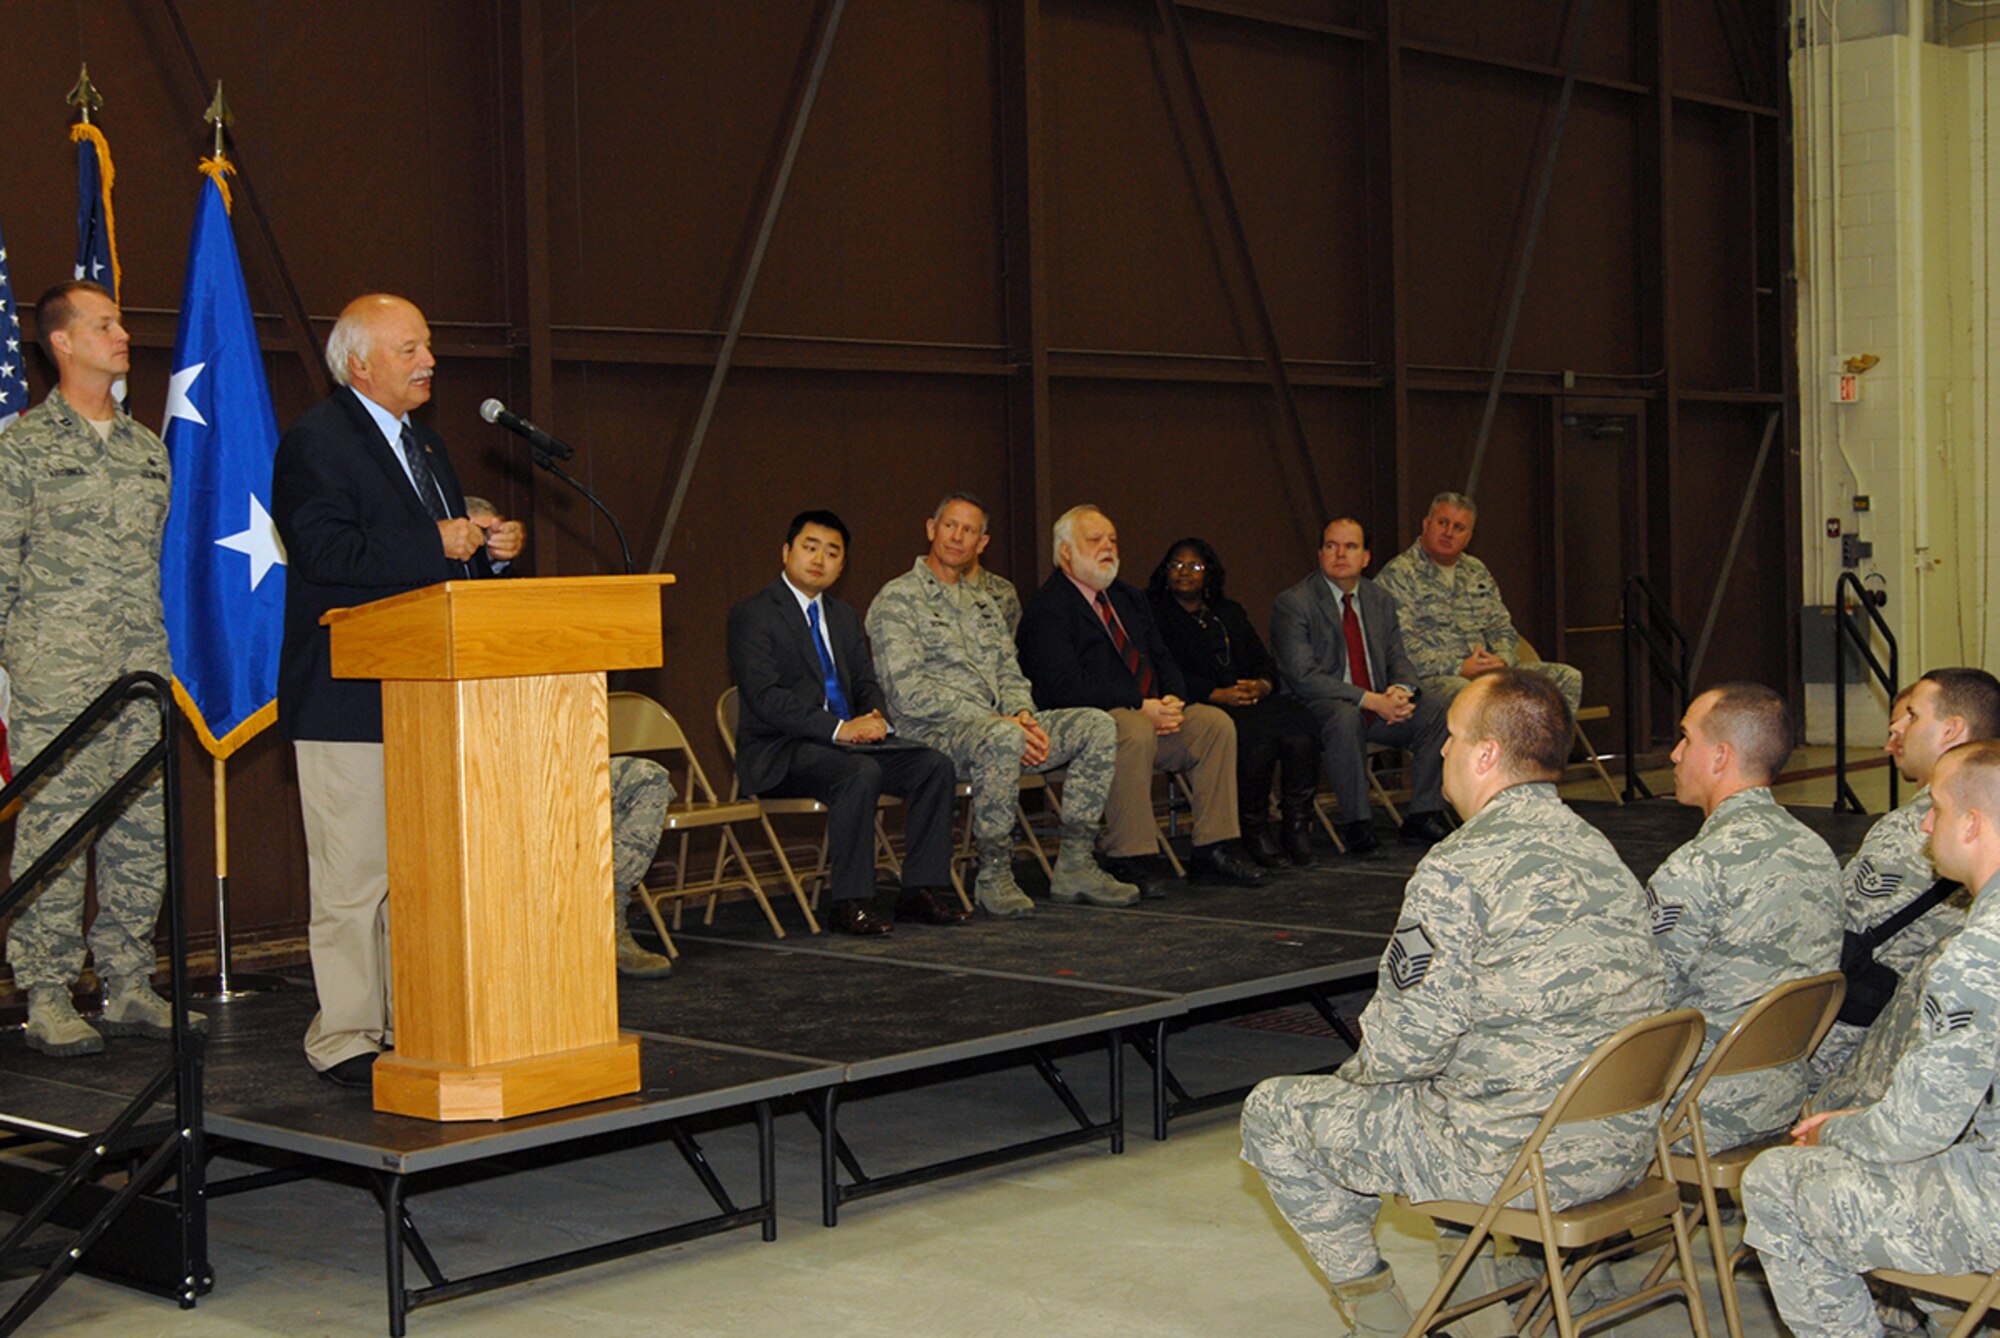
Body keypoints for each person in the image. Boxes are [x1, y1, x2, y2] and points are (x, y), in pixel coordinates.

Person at [1240, 670, 1667, 1333]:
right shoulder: (1600, 849)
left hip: (1517, 1159)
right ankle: (1494, 1279)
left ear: (1487, 754)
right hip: (1623, 1144)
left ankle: (1376, 1314)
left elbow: (1402, 1046)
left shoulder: (1458, 867)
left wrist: (1354, 1084)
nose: (1439, 749)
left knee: (1277, 1112)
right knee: (1449, 1083)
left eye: (1451, 737)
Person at [273, 293, 527, 1088]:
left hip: (422, 693)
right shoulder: (317, 440)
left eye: (428, 346)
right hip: (347, 692)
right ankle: (344, 1034)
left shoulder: (427, 444)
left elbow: (439, 562)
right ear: (359, 363)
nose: (430, 362)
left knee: (409, 874)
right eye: (410, 348)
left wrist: (487, 551)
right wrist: (437, 539)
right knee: (354, 876)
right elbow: (322, 551)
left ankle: (400, 1019)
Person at [1741, 740, 2000, 1338]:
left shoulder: (1976, 955)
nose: (1926, 824)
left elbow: (1917, 1128)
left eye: (1935, 807)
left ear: (1973, 823)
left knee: (1777, 1182)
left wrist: (1835, 1130)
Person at [0, 280, 199, 1056]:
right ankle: (46, 990)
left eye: (121, 321)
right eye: (105, 324)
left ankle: (126, 981)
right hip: (60, 674)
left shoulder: (148, 448)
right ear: (63, 343)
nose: (123, 335)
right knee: (57, 829)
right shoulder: (23, 449)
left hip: (139, 670)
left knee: (140, 830)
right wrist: (23, 667)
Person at [866, 493, 1138, 916]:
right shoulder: (897, 600)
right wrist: (1001, 722)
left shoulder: (984, 604)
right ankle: (994, 872)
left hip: (1001, 729)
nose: (958, 536)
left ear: (982, 543)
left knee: (1097, 725)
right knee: (1001, 737)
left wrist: (1024, 715)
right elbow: (908, 691)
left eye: (969, 530)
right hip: (931, 736)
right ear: (931, 529)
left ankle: (1076, 865)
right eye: (950, 525)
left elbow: (1011, 674)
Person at [464, 496, 677, 977]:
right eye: (477, 532)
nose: (488, 542)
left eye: (495, 531)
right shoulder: (424, 604)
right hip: (478, 771)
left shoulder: (526, 604)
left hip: (549, 759)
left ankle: (607, 915)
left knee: (645, 777)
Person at [727, 510, 965, 935]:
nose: (819, 559)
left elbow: (866, 681)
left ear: (842, 565)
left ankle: (920, 892)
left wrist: (872, 716)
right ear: (786, 552)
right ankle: (848, 901)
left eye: (832, 552)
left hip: (846, 744)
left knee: (934, 765)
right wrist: (839, 730)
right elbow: (766, 698)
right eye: (809, 547)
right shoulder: (754, 614)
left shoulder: (843, 616)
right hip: (782, 749)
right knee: (859, 771)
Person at [1015, 505, 1265, 896]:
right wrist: (1139, 705)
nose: (1108, 548)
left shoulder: (1128, 598)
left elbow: (1162, 658)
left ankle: (1215, 848)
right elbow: (1063, 687)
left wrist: (1173, 701)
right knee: (1131, 728)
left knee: (1213, 724)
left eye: (1112, 540)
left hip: (1152, 717)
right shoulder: (1047, 610)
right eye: (1095, 540)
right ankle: (1131, 857)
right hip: (1095, 726)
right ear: (1066, 553)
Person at [1646, 683, 1842, 1148]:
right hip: (1784, 1097)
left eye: (1686, 739)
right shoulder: (1816, 852)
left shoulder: (1698, 866)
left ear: (1720, 757)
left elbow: (1642, 999)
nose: (1675, 755)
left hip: (1696, 1110)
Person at [1812, 671, 1999, 1087]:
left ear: (1951, 730)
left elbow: (1835, 938)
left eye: (1913, 715)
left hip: (1860, 1043)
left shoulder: (1914, 830)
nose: (1897, 727)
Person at [1270, 518, 1453, 855]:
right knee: (1344, 716)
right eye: (1331, 546)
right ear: (1320, 553)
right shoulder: (1294, 602)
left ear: (1366, 557)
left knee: (1439, 708)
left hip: (1380, 703)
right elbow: (1303, 677)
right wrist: (1368, 700)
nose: (1340, 554)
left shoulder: (1379, 599)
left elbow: (1398, 656)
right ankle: (1358, 824)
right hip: (1318, 706)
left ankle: (1424, 813)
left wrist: (1401, 690)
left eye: (1350, 546)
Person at [1146, 537, 1319, 868]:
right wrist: (1216, 694)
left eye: (1194, 566)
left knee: (1302, 726)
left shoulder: (1229, 612)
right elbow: (1163, 670)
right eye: (1176, 565)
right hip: (1202, 701)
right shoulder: (1155, 615)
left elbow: (1262, 660)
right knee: (1258, 739)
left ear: (1209, 573)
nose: (1184, 573)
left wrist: (1262, 685)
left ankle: (1296, 824)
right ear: (1164, 572)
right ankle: (1253, 829)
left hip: (1248, 698)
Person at [1375, 491, 1583, 714]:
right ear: (1426, 525)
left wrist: (1502, 659)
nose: (1448, 533)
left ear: (1468, 537)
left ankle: (1541, 748)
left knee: (1566, 678)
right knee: (1469, 692)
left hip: (1488, 672)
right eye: (1442, 523)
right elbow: (1397, 646)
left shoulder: (1476, 571)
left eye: (1458, 528)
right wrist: (1459, 667)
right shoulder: (1398, 574)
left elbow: (1501, 627)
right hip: (1433, 679)